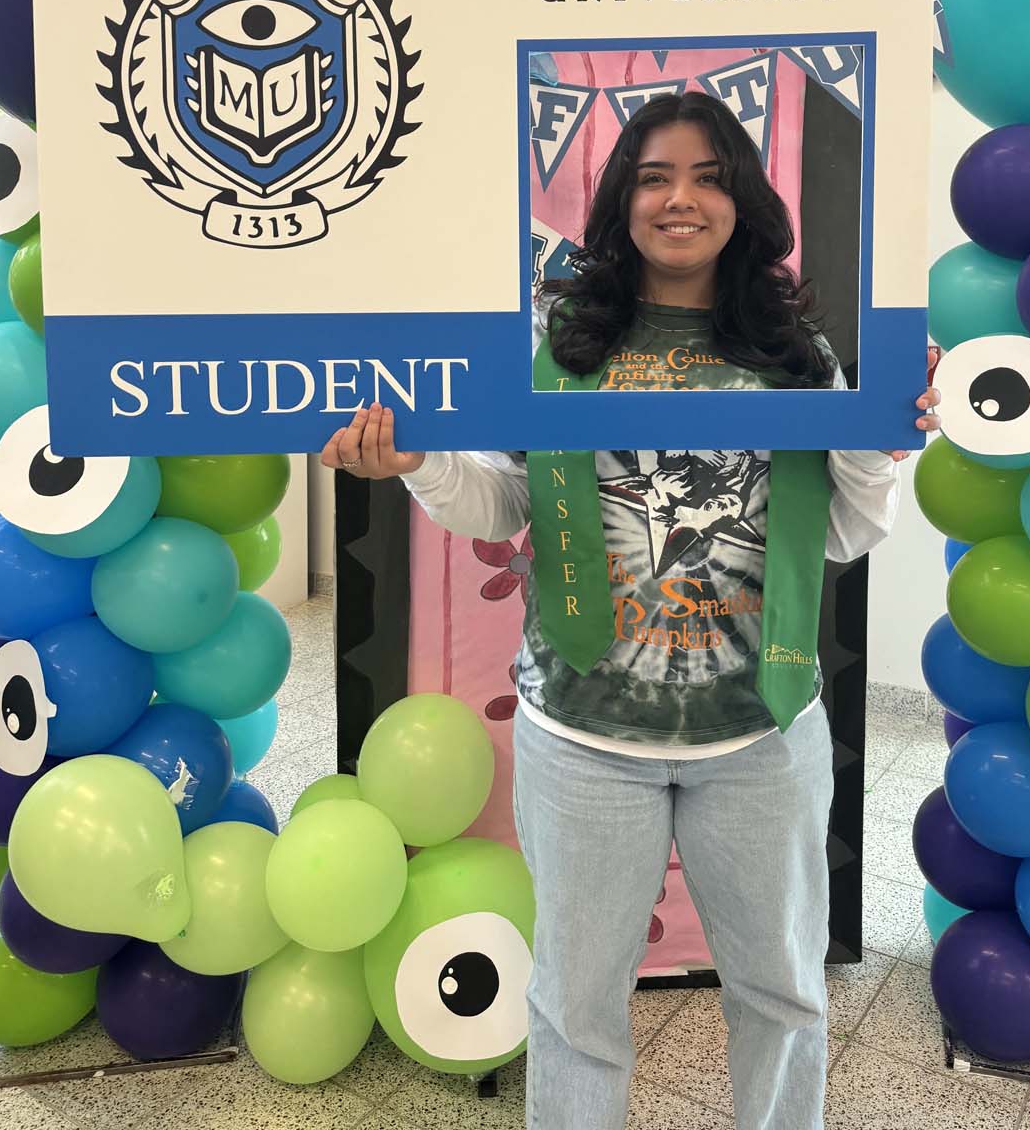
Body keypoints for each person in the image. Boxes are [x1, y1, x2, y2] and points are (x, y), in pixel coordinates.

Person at [321, 92, 939, 1130]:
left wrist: (880, 439)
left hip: (762, 730)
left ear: (742, 199)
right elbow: (503, 501)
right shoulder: (564, 347)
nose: (680, 197)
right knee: (574, 1006)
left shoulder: (799, 357)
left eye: (706, 175)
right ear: (622, 200)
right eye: (654, 176)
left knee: (784, 993)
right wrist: (419, 463)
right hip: (583, 733)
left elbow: (840, 532)